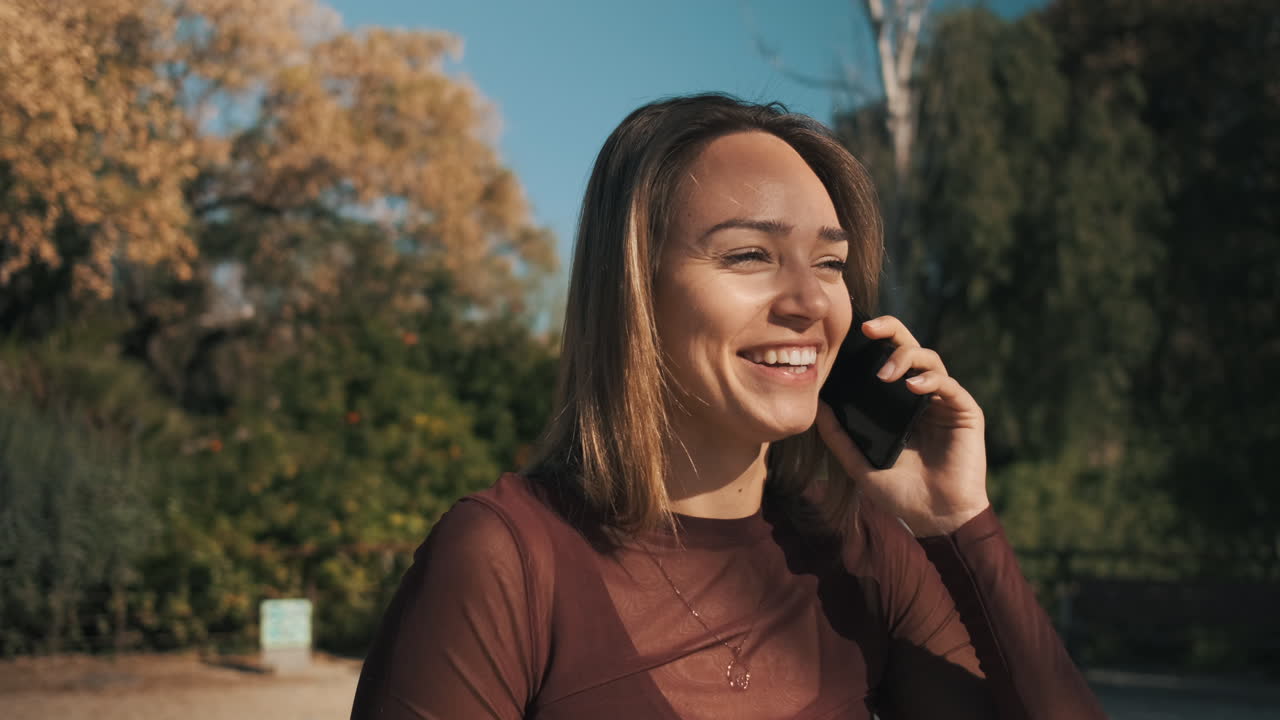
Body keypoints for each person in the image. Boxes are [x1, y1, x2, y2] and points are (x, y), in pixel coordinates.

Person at [349, 93, 1107, 719]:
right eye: (750, 255)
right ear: (634, 290)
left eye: (831, 262)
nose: (810, 301)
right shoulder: (505, 558)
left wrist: (956, 523)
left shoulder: (863, 552)